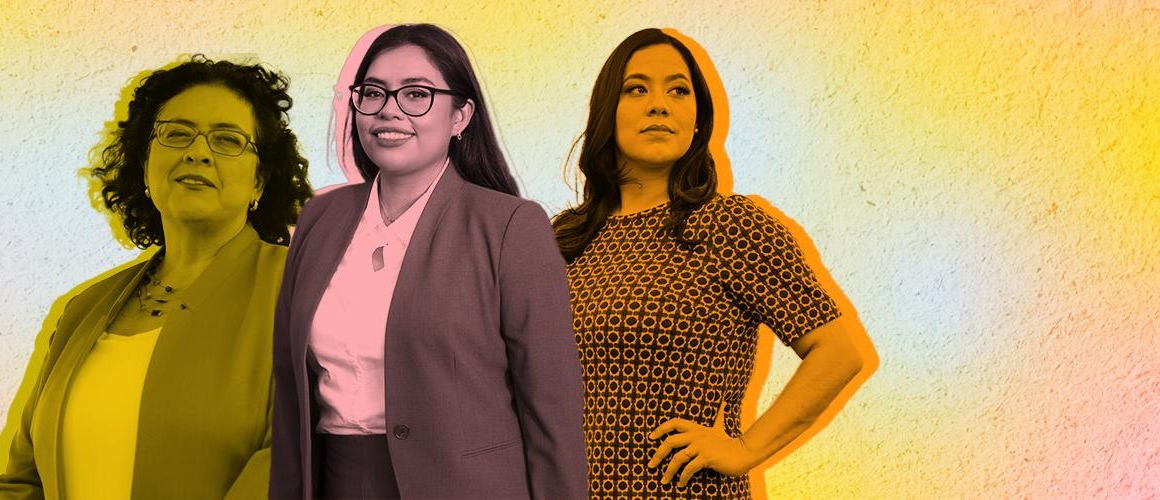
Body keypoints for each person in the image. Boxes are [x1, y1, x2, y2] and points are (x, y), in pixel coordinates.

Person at [553, 28, 876, 498]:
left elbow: (839, 352)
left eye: (678, 90)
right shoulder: (564, 240)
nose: (659, 104)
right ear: (608, 113)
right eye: (636, 88)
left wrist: (744, 450)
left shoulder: (729, 225)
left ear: (698, 120)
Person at [270, 24, 587, 499]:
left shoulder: (510, 226)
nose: (389, 110)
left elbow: (552, 412)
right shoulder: (318, 219)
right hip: (336, 483)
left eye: (416, 94)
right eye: (372, 93)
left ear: (461, 115)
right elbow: (291, 395)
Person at [0, 56, 312, 499]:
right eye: (176, 134)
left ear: (259, 182)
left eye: (227, 140)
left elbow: (298, 460)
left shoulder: (302, 290)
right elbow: (22, 480)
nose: (198, 152)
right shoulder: (82, 311)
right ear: (144, 165)